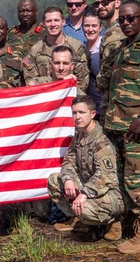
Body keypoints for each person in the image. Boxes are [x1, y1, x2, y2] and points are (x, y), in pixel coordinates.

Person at [98, 0, 140, 255]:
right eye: (122, 19)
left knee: (138, 178)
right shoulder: (123, 47)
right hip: (118, 125)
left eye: (131, 18)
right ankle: (131, 227)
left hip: (136, 126)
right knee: (124, 176)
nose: (126, 23)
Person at [46, 95, 124, 239]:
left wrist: (84, 194)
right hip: (88, 185)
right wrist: (69, 179)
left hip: (110, 192)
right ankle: (81, 221)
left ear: (93, 114)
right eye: (74, 113)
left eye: (82, 112)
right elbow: (68, 161)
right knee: (54, 181)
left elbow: (106, 176)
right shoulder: (80, 135)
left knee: (84, 208)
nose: (77, 117)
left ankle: (114, 221)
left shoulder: (101, 139)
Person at [23, 6, 89, 93]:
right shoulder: (35, 51)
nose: (53, 24)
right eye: (49, 21)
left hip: (71, 99)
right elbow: (30, 84)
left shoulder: (76, 47)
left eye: (56, 20)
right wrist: (58, 83)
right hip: (45, 100)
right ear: (43, 24)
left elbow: (82, 83)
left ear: (63, 22)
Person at [95, 0, 125, 113]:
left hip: (116, 105)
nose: (100, 6)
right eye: (97, 4)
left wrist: (98, 83)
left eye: (105, 3)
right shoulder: (109, 31)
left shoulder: (117, 33)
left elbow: (109, 74)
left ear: (117, 3)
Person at [0, 15, 24, 88]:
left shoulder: (18, 55)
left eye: (1, 28)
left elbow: (27, 84)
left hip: (11, 98)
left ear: (7, 30)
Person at [81, 7, 103, 105]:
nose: (90, 29)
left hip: (102, 106)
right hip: (85, 106)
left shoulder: (106, 48)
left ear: (100, 27)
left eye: (94, 26)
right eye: (86, 26)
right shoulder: (80, 49)